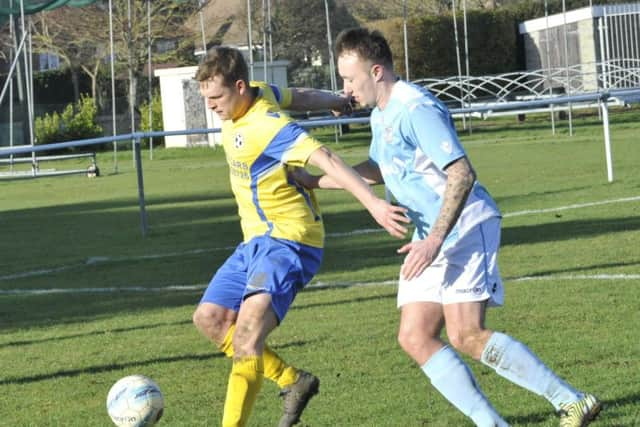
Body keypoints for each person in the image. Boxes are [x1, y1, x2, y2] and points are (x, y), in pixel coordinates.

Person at [293, 28, 601, 427]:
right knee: (415, 336)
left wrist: (435, 239)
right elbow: (377, 170)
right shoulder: (382, 113)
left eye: (350, 79)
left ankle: (573, 401)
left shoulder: (415, 108)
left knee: (466, 335)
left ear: (376, 71)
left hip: (465, 228)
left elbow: (461, 173)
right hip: (431, 237)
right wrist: (313, 180)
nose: (345, 89)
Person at [191, 46, 409, 427]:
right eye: (205, 98)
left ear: (239, 87)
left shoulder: (269, 125)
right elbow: (299, 95)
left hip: (290, 242)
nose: (210, 106)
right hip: (255, 241)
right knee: (209, 318)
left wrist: (372, 204)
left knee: (245, 336)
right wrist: (335, 101)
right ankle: (293, 381)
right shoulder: (258, 92)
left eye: (216, 97)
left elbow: (326, 158)